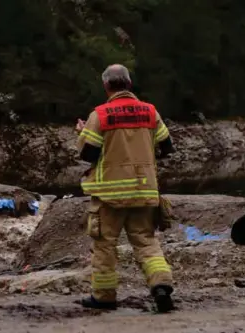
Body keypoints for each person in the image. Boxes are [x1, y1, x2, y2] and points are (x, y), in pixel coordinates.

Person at [75, 64, 176, 313]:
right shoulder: (151, 112)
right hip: (144, 190)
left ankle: (105, 296)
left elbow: (88, 153)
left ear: (106, 86)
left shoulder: (100, 115)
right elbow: (166, 147)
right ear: (129, 84)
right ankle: (161, 286)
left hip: (110, 195)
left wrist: (81, 132)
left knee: (104, 245)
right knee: (146, 242)